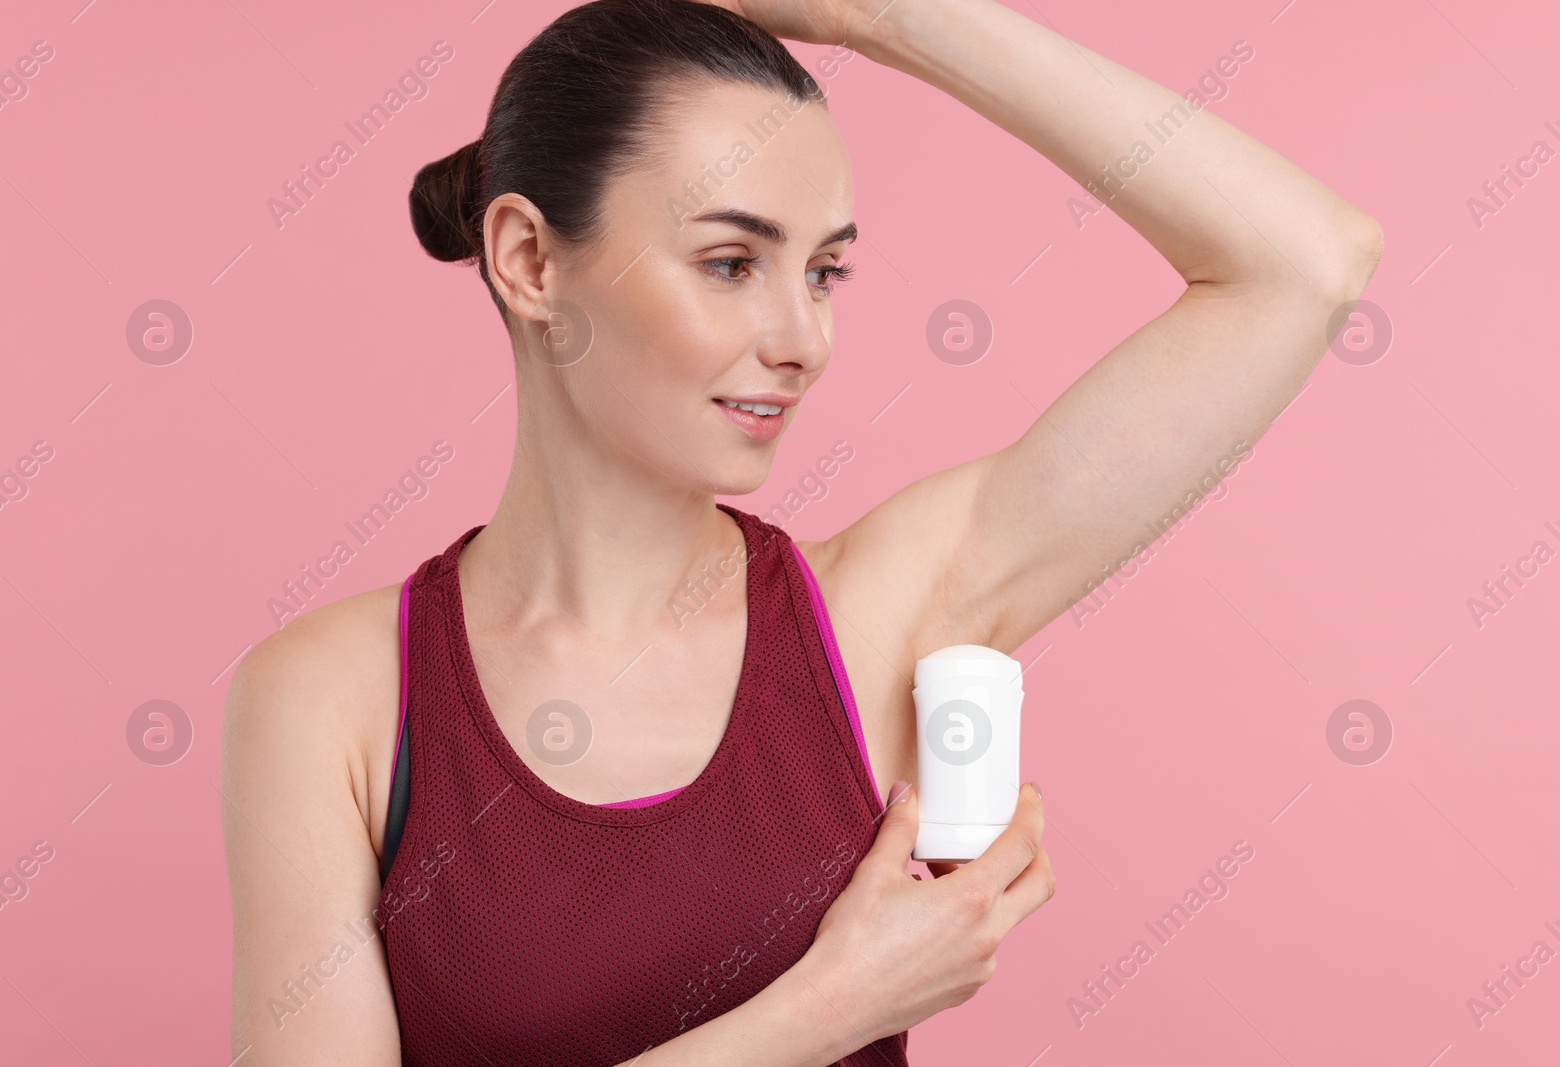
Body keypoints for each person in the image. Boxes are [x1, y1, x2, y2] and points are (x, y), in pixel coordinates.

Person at [222, 0, 1382, 1061]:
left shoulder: (876, 615)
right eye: (731, 262)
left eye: (824, 271)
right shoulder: (334, 698)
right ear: (529, 259)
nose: (804, 339)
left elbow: (1301, 264)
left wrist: (884, 19)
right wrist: (822, 1010)